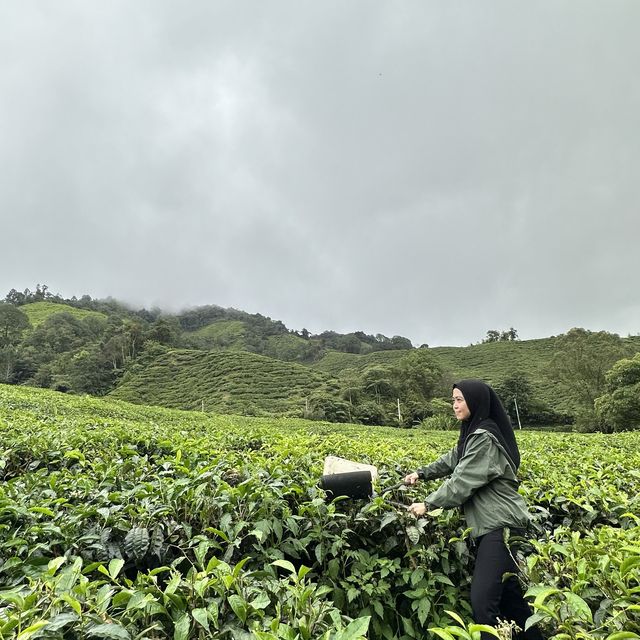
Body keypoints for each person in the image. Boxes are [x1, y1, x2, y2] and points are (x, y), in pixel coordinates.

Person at [404, 379, 544, 640]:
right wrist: (420, 473)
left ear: (475, 401)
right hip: (492, 527)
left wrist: (429, 504)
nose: (454, 405)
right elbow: (451, 460)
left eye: (459, 399)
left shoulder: (484, 438)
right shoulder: (472, 434)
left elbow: (462, 481)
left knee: (483, 603)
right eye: (453, 400)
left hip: (499, 527)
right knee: (511, 601)